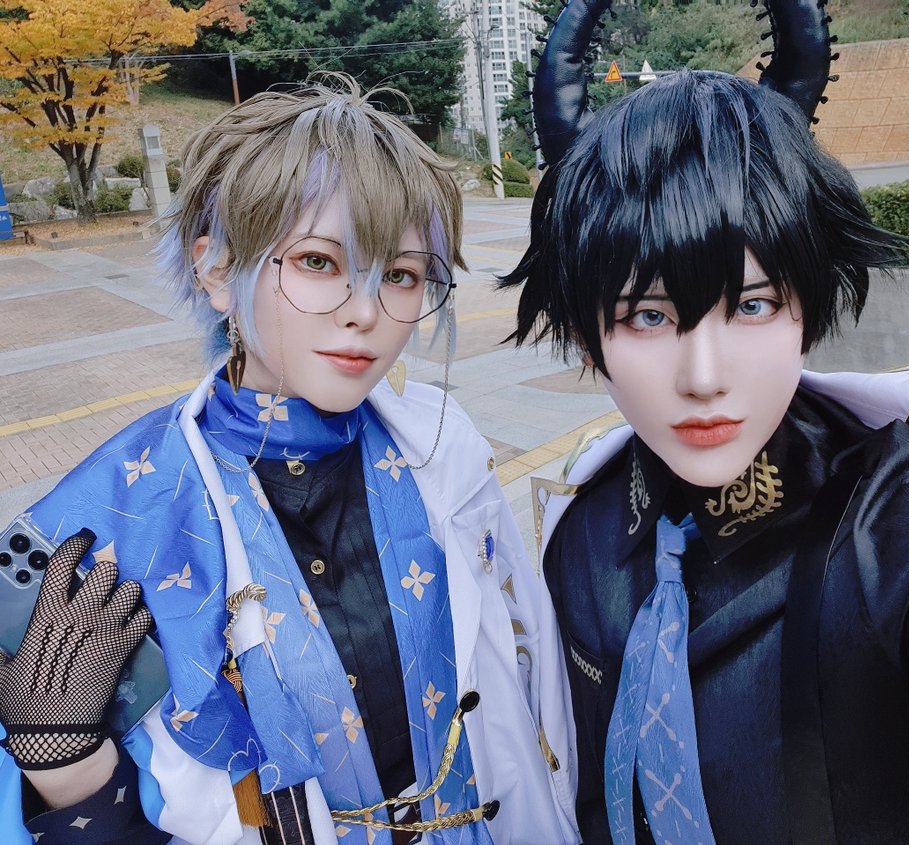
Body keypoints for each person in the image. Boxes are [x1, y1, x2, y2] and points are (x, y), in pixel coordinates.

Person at [0, 77, 579, 845]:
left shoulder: (448, 451)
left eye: (401, 274)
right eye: (318, 261)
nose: (365, 311)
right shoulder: (117, 518)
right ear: (215, 270)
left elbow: (530, 691)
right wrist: (64, 761)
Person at [500, 7, 909, 844]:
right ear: (590, 335)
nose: (704, 376)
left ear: (806, 306)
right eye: (648, 316)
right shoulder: (580, 536)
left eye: (750, 305)